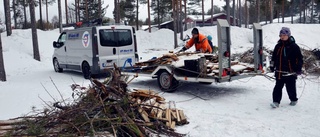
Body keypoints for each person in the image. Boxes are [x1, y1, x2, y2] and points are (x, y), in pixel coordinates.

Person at [269, 27, 303, 108]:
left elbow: (299, 58)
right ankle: (276, 102)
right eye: (281, 35)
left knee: (290, 88)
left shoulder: (294, 46)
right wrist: (272, 66)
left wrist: (298, 69)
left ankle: (293, 99)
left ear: (288, 35)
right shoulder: (278, 46)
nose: (282, 36)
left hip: (290, 72)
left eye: (284, 35)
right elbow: (273, 58)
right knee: (277, 87)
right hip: (279, 72)